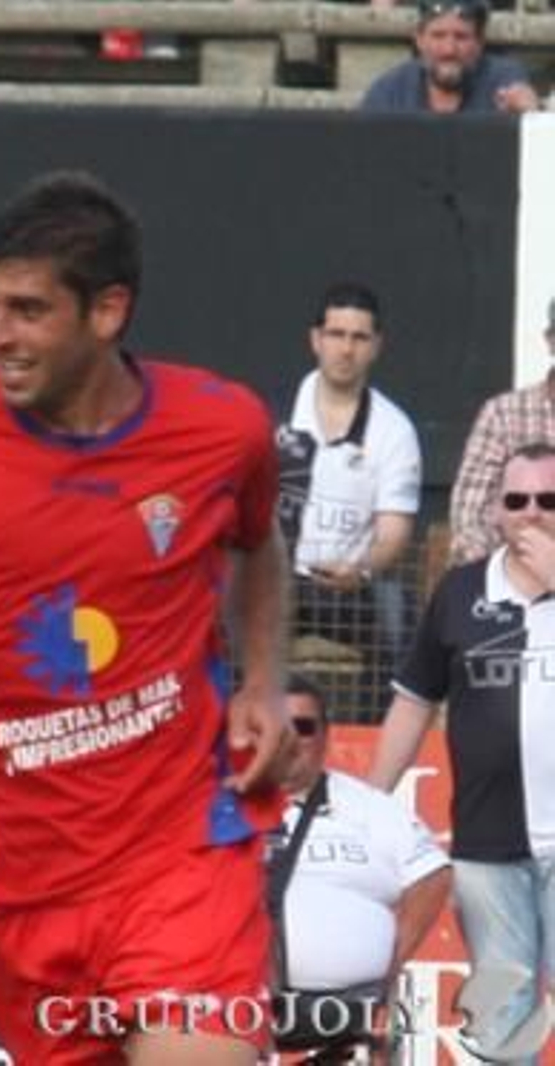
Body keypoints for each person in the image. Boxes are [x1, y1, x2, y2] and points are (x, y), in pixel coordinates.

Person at [0, 171, 292, 1064]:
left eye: (27, 310)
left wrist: (263, 680)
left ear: (108, 311)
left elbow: (257, 547)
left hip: (185, 851)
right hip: (21, 884)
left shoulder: (221, 429)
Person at [369, 441, 555, 1064]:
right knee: (502, 1030)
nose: (531, 514)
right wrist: (368, 806)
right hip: (487, 852)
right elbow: (413, 702)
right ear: (497, 512)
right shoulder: (460, 591)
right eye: (517, 500)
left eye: (548, 500)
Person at [270, 674, 450, 1055]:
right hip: (234, 1004)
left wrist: (392, 965)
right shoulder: (219, 805)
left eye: (303, 727)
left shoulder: (368, 807)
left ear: (324, 735)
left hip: (355, 1006)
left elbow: (432, 875)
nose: (290, 740)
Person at [276, 282, 421, 716]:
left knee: (400, 621)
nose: (346, 349)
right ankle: (231, 740)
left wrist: (359, 569)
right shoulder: (277, 415)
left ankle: (373, 747)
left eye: (359, 338)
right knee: (223, 609)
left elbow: (394, 533)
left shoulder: (394, 430)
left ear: (376, 346)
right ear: (316, 339)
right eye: (336, 335)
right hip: (278, 577)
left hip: (351, 585)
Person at [450, 297, 555, 564]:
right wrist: (511, 576)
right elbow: (471, 519)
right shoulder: (503, 415)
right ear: (549, 340)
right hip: (511, 581)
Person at [359, 0, 539, 115]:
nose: (449, 50)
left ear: (480, 42)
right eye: (438, 35)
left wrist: (531, 115)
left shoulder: (503, 80)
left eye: (461, 37)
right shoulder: (391, 91)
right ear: (419, 40)